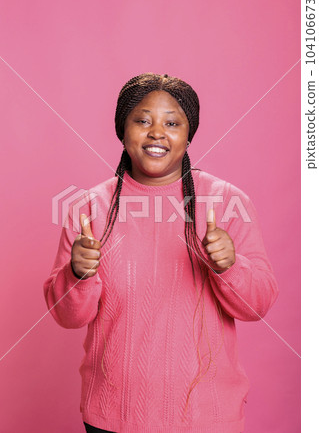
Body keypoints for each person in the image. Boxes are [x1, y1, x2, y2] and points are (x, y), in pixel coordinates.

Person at [43, 72, 279, 433]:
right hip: (112, 416)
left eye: (172, 122)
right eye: (142, 120)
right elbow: (68, 317)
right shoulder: (88, 208)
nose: (157, 132)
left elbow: (257, 305)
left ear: (189, 135)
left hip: (206, 418)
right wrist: (77, 275)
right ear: (123, 131)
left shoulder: (228, 202)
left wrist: (230, 266)